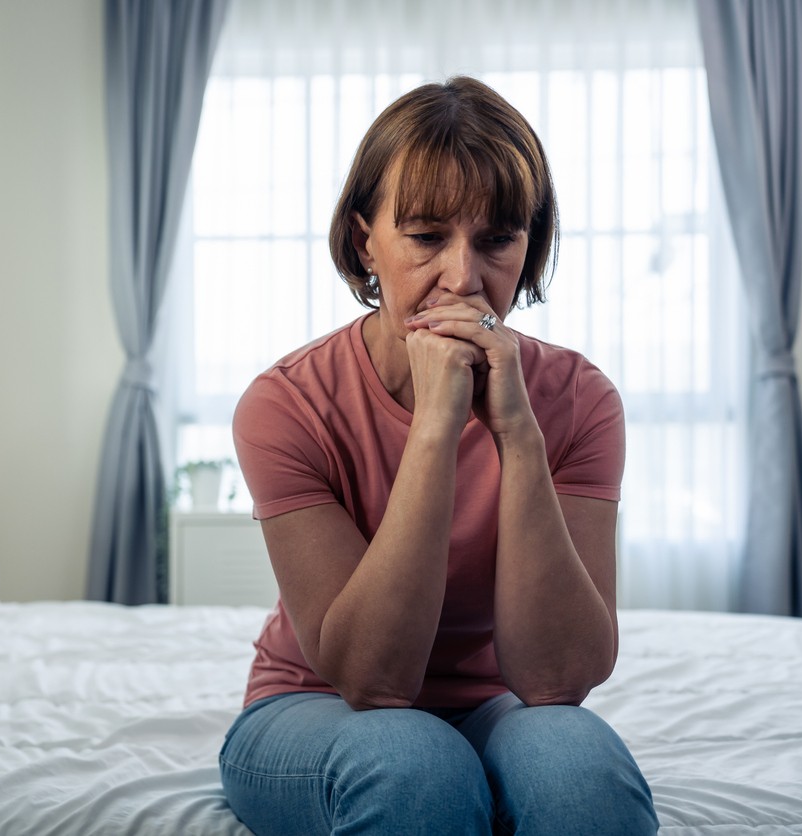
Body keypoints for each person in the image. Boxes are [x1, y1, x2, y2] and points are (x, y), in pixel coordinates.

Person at [219, 77, 660, 836]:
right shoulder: (284, 405)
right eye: (426, 237)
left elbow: (558, 680)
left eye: (496, 240)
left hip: (500, 703)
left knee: (581, 769)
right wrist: (436, 428)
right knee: (414, 765)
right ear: (367, 241)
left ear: (530, 247)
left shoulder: (582, 401)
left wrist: (518, 434)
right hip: (316, 702)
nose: (462, 278)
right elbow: (370, 677)